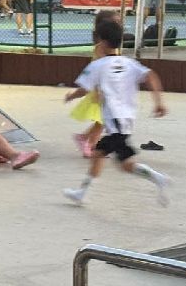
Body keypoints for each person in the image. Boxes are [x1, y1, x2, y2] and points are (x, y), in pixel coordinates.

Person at [63, 20, 171, 206]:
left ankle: (157, 178)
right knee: (100, 153)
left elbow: (84, 89)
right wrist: (159, 103)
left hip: (115, 120)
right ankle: (81, 193)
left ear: (102, 42)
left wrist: (71, 96)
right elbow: (151, 76)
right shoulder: (130, 63)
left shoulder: (97, 65)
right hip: (126, 119)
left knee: (124, 163)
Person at [72, 9, 123, 158]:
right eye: (116, 22)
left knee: (104, 120)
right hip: (101, 89)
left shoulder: (111, 46)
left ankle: (85, 139)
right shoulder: (101, 47)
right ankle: (90, 144)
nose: (119, 25)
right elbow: (101, 69)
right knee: (104, 120)